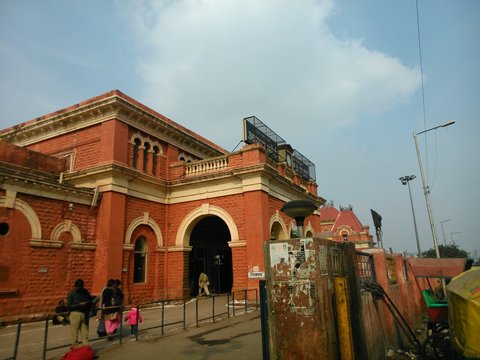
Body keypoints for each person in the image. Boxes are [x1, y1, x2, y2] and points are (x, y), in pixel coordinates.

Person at [66, 278, 92, 347]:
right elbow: (69, 306)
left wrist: (86, 304)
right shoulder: (72, 293)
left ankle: (86, 350)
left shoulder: (85, 292)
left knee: (85, 334)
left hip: (83, 313)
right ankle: (75, 351)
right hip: (75, 313)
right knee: (75, 335)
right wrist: (79, 305)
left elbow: (90, 302)